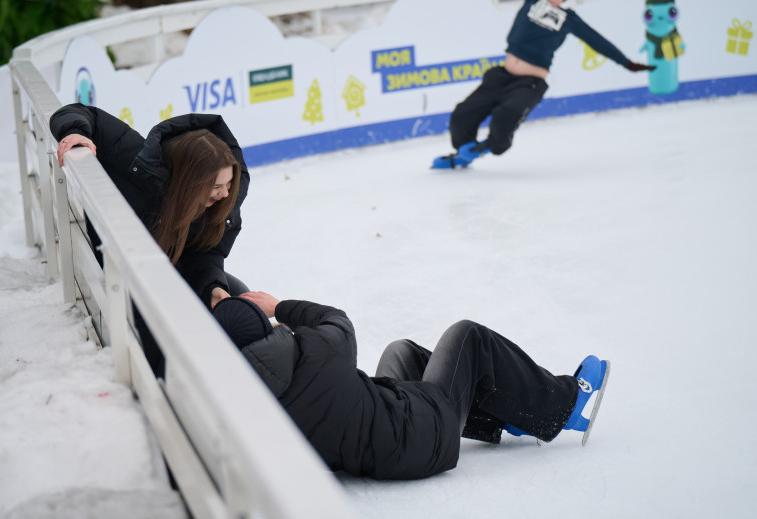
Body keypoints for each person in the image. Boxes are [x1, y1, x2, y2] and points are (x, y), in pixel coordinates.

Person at [212, 291, 610, 480]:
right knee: (468, 336)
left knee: (400, 351)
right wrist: (277, 306)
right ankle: (567, 406)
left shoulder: (250, 406)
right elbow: (336, 319)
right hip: (424, 435)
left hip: (387, 436)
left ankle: (510, 416)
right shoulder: (316, 354)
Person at [50, 103, 251, 308]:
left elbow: (203, 255)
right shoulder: (136, 161)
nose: (225, 193)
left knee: (242, 299)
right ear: (189, 181)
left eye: (229, 183)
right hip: (125, 286)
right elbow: (79, 113)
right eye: (216, 186)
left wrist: (212, 285)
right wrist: (76, 132)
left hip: (169, 282)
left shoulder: (224, 206)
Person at [433, 0, 655, 169]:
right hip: (501, 76)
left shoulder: (569, 20)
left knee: (507, 112)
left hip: (529, 83)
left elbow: (598, 42)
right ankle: (463, 154)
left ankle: (488, 147)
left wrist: (627, 63)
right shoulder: (531, 1)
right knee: (462, 115)